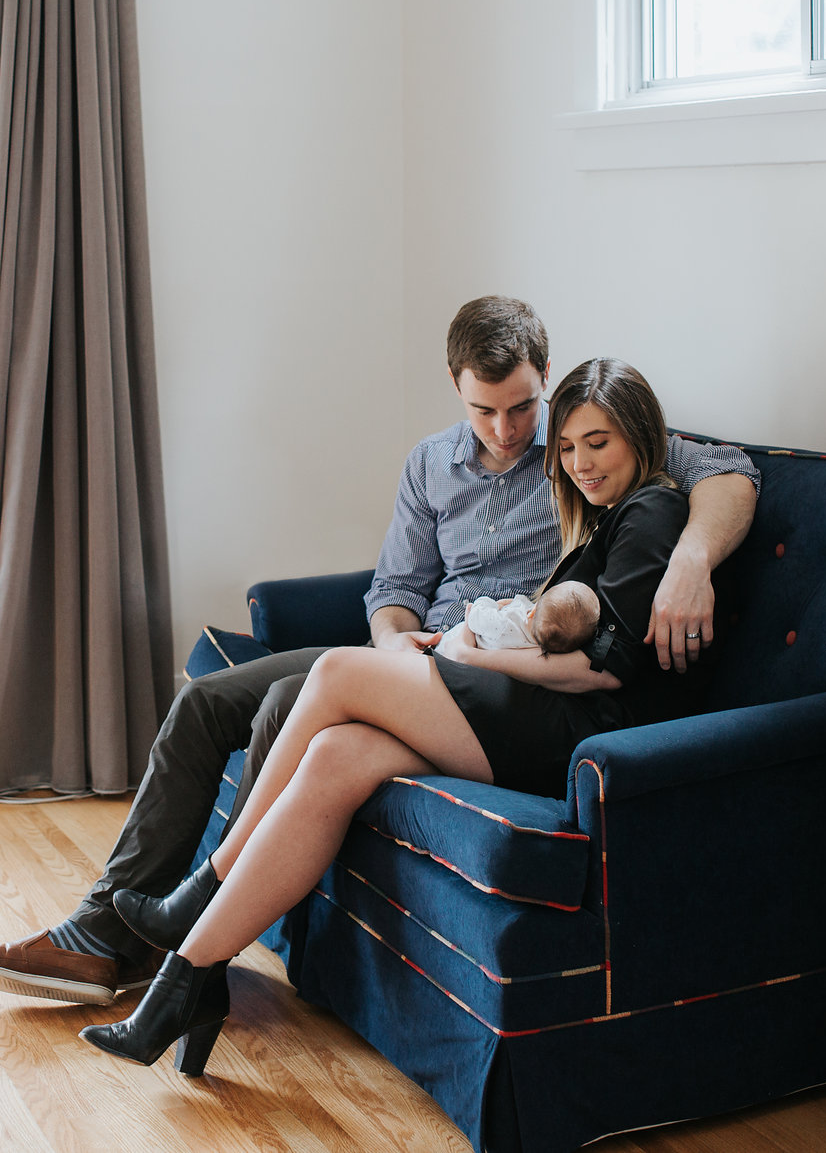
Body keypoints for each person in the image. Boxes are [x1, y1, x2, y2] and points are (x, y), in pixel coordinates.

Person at [0, 300, 759, 1006]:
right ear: (456, 390)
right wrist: (397, 649)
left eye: (521, 408)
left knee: (282, 707)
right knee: (203, 701)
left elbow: (721, 470)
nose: (509, 431)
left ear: (544, 376)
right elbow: (393, 586)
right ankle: (107, 921)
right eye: (486, 411)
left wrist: (690, 560)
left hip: (491, 675)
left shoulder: (584, 440)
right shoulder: (432, 463)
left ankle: (183, 936)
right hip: (415, 655)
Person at [80, 358, 699, 1072]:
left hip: (584, 731)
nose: (580, 462)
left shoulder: (652, 507)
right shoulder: (603, 514)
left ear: (639, 437)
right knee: (335, 755)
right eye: (568, 446)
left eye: (599, 443)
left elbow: (609, 665)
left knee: (337, 671)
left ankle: (203, 886)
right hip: (543, 709)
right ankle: (183, 983)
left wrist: (475, 658)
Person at [433, 580, 598, 658]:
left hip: (446, 648)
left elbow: (475, 618)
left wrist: (489, 603)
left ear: (533, 611)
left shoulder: (505, 623)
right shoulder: (539, 645)